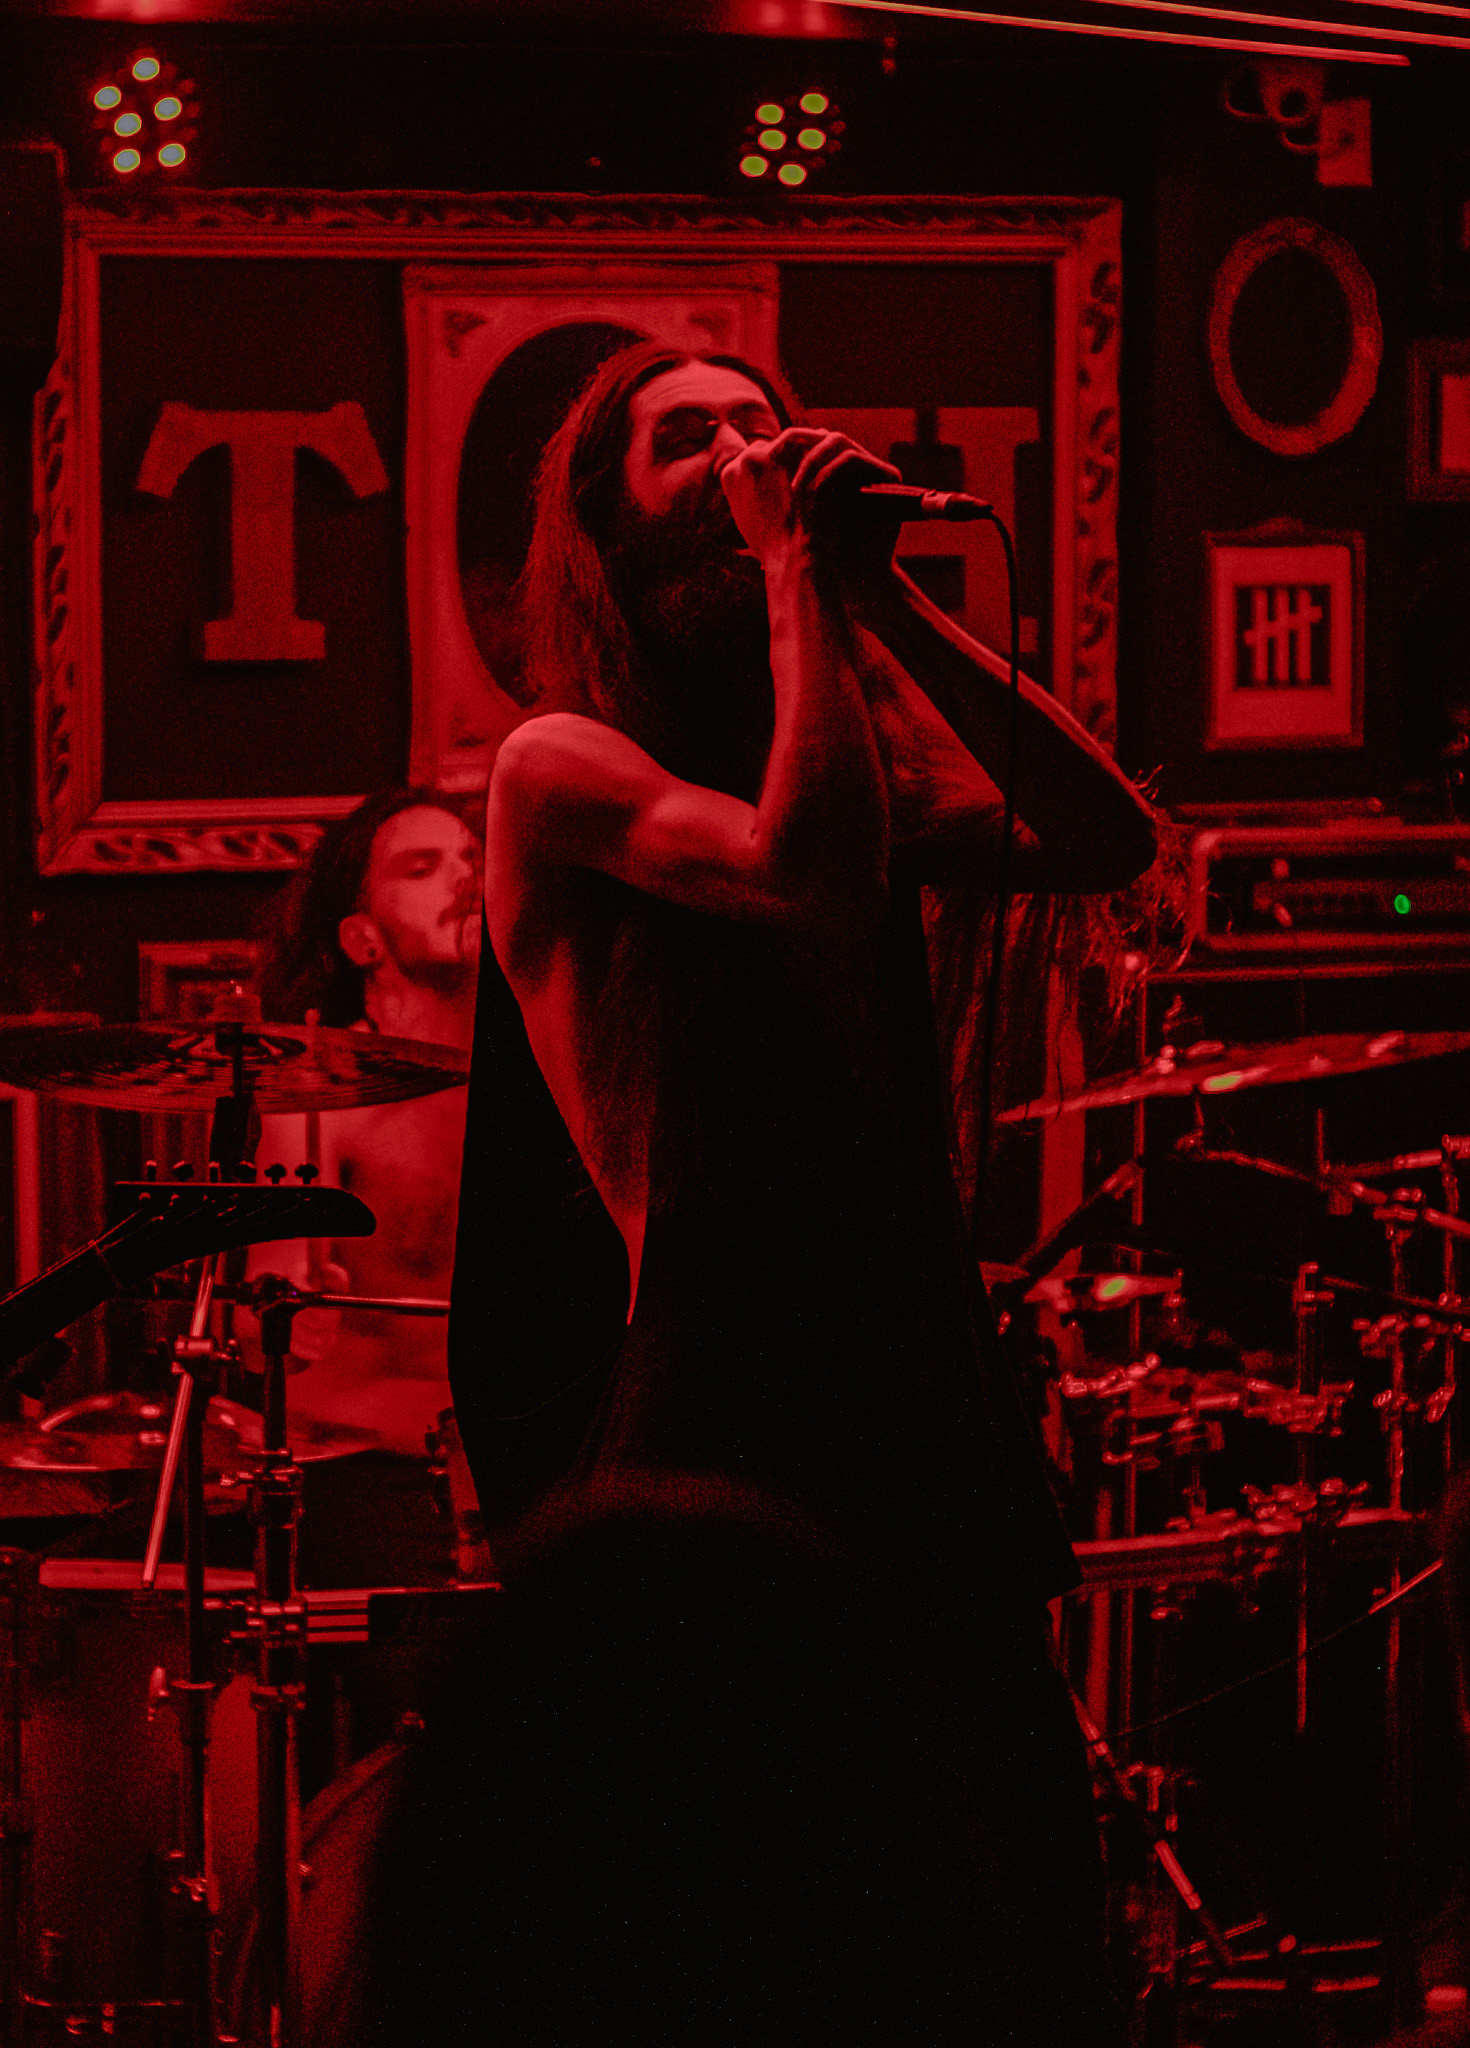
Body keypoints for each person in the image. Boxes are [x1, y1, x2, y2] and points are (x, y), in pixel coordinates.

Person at [447, 341, 1160, 2040]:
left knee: (997, 1887)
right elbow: (801, 872)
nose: (740, 452)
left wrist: (881, 596)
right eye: (684, 437)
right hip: (711, 1399)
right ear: (607, 521)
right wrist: (790, 572)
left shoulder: (841, 741)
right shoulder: (556, 760)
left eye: (756, 424)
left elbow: (1102, 838)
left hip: (904, 1376)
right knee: (740, 1918)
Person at [244, 786, 483, 1589]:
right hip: (367, 1475)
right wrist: (288, 1314)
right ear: (362, 938)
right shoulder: (322, 1099)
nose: (464, 879)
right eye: (423, 867)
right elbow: (258, 1322)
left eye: (472, 859)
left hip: (522, 1466)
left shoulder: (547, 1078)